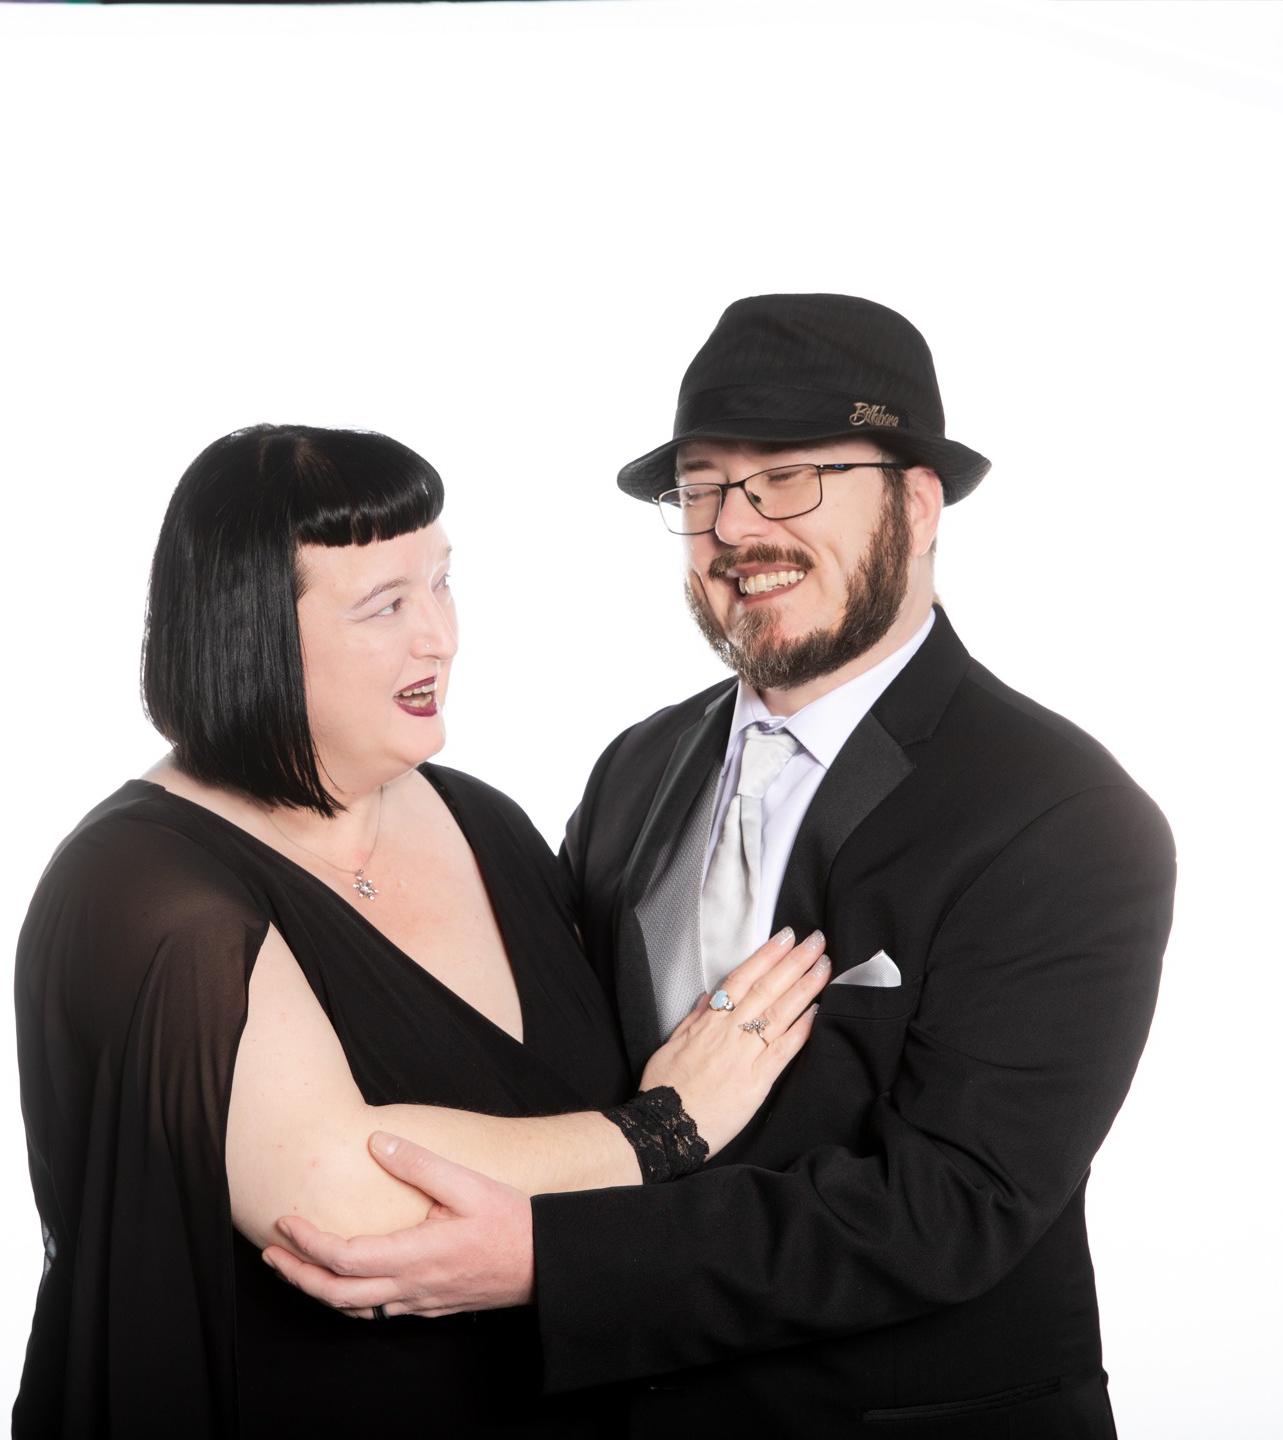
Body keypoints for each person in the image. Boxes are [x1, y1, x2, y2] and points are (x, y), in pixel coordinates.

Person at [264, 296, 1179, 1438]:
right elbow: (556, 1068)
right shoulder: (639, 767)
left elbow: (954, 1207)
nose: (737, 527)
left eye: (789, 477)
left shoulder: (1061, 814)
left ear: (917, 502)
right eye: (702, 489)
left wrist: (551, 1260)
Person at [10, 423, 832, 1438]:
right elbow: (338, 1199)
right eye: (384, 606)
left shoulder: (482, 819)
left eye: (443, 584)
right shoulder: (138, 887)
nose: (438, 636)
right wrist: (667, 1125)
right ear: (249, 634)